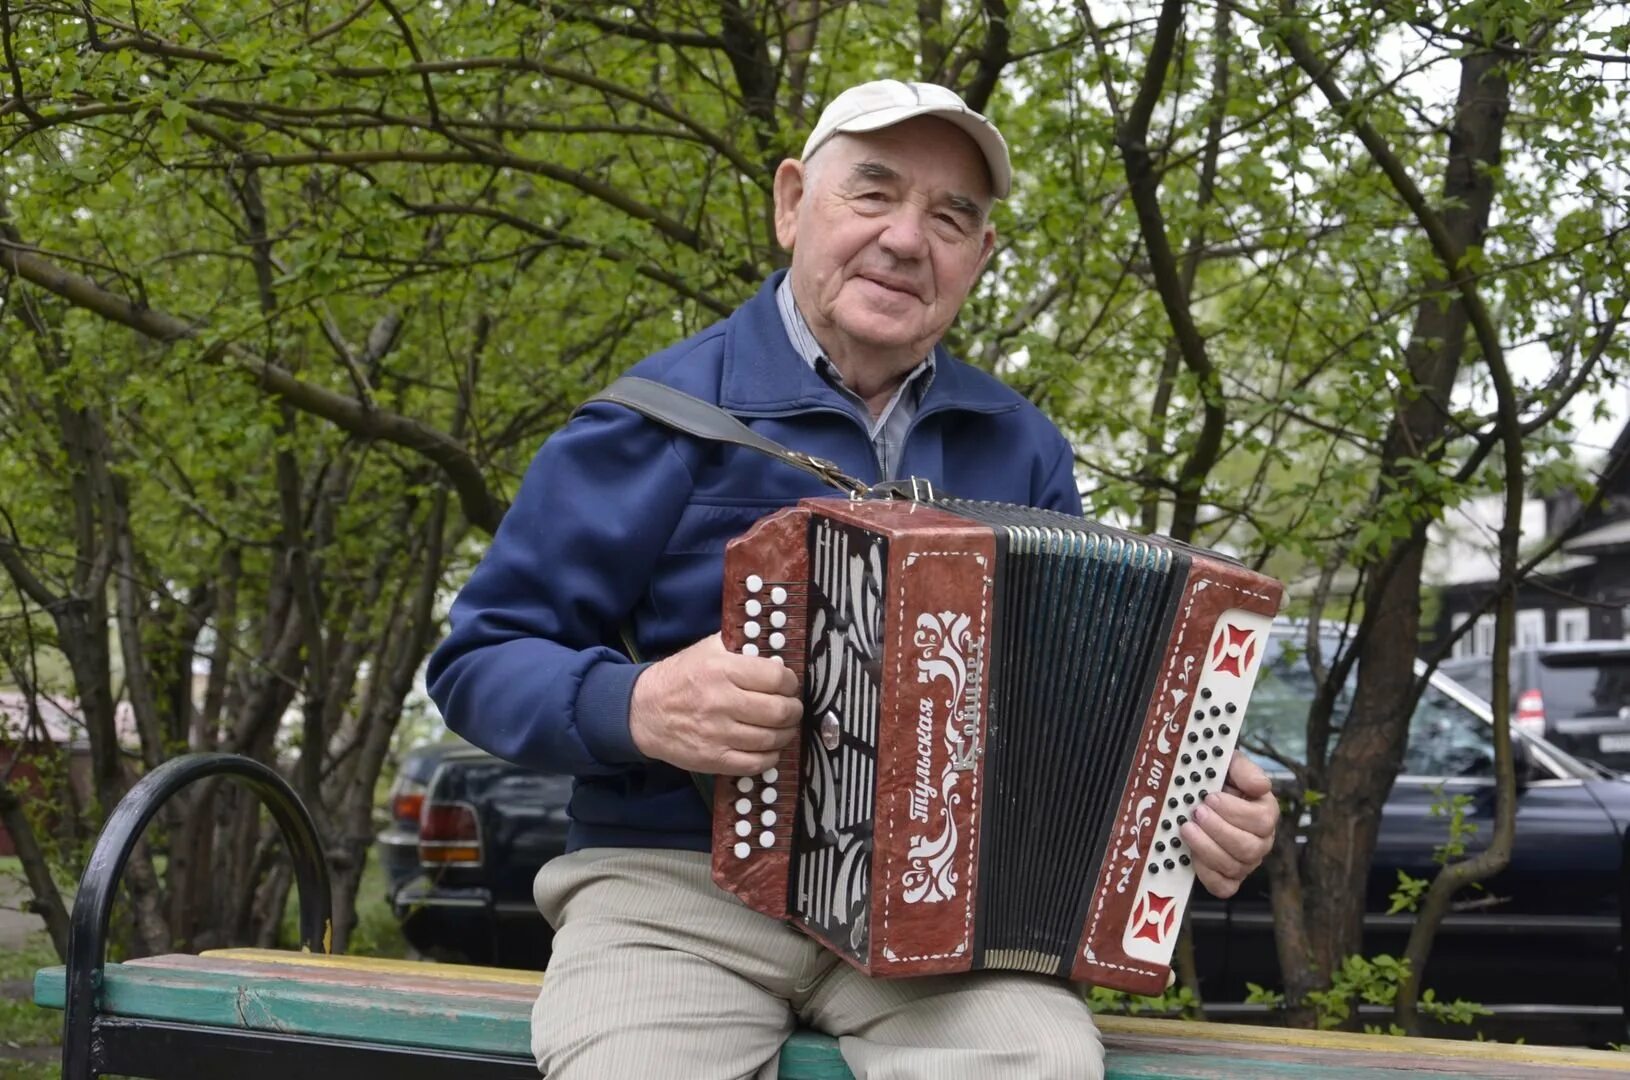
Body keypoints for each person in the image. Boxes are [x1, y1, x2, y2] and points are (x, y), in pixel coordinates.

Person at [427, 79, 1278, 1080]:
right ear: (793, 203)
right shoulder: (654, 420)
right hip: (677, 894)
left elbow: (1075, 702)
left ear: (980, 257)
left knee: (1039, 1067)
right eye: (871, 194)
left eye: (951, 216)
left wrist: (1190, 793)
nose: (907, 239)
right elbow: (481, 658)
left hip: (946, 920)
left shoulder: (1021, 446)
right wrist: (638, 704)